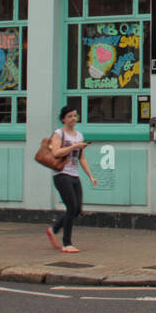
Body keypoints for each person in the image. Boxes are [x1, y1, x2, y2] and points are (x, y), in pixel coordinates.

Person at [46, 105, 97, 253]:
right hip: (61, 174)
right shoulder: (59, 133)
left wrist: (90, 176)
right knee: (71, 207)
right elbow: (55, 152)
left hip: (74, 174)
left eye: (75, 115)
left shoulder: (79, 135)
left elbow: (81, 158)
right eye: (70, 116)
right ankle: (66, 243)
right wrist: (74, 146)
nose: (73, 118)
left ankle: (53, 229)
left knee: (77, 209)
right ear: (63, 119)